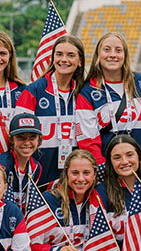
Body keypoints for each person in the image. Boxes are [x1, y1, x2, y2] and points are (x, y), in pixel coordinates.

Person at [15, 35, 103, 186]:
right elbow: (18, 137)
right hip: (39, 178)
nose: (64, 59)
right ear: (53, 58)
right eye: (59, 54)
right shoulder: (33, 91)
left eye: (70, 55)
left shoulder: (86, 93)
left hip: (77, 179)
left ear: (80, 61)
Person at [80, 31, 141, 167]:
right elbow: (88, 140)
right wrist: (102, 170)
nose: (112, 54)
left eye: (118, 50)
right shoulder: (87, 91)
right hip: (110, 170)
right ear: (98, 55)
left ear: (124, 55)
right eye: (107, 50)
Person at [0, 114, 46, 210]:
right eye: (20, 137)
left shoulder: (36, 168)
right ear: (12, 140)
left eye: (32, 137)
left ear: (38, 140)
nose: (27, 143)